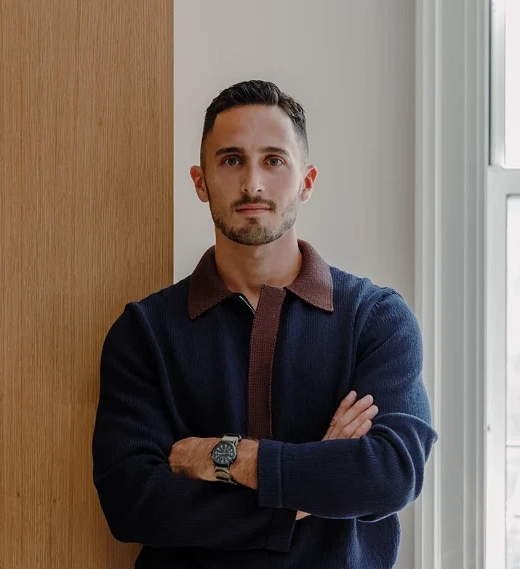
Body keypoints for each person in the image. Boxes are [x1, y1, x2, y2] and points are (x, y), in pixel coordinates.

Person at [92, 79, 438, 569]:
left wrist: (224, 457)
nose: (252, 183)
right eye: (231, 159)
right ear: (200, 180)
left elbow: (391, 474)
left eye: (274, 160)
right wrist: (308, 487)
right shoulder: (144, 330)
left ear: (306, 181)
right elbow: (133, 505)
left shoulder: (376, 319)